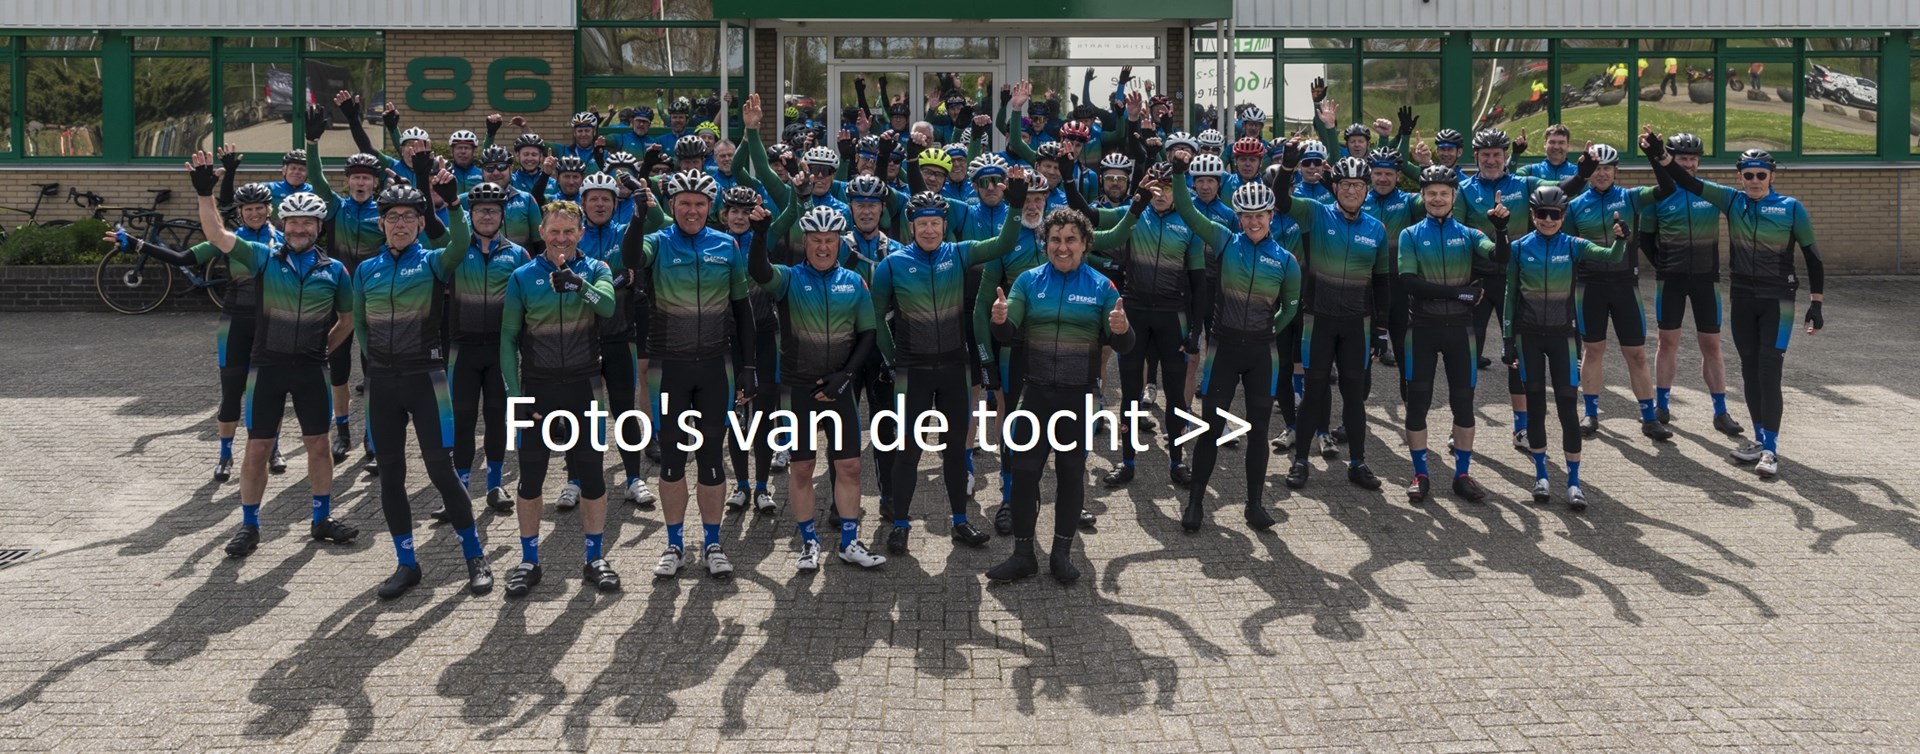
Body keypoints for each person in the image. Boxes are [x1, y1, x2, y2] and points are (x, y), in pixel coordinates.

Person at [180, 150, 358, 558]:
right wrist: (205, 195)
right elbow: (218, 237)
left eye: (308, 222)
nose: (299, 228)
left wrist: (323, 349)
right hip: (267, 368)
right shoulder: (262, 258)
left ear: (318, 227)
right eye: (293, 222)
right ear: (284, 224)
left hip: (311, 370)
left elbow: (348, 320)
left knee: (319, 446)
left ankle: (321, 519)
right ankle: (249, 526)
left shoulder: (335, 271)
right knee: (258, 448)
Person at [351, 165, 495, 598]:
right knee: (390, 476)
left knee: (441, 471)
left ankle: (475, 556)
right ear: (381, 223)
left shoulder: (433, 262)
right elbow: (361, 325)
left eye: (409, 217)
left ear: (418, 223)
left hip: (426, 379)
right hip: (382, 384)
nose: (400, 224)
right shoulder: (366, 270)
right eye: (393, 217)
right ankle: (407, 563)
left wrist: (452, 204)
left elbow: (461, 243)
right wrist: (376, 364)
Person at [980, 152, 1144, 532]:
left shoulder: (1071, 242)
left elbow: (1112, 236)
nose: (1032, 205)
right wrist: (990, 348)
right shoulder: (1007, 241)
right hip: (1021, 351)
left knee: (1070, 454)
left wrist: (1137, 206)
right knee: (1017, 437)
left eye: (1039, 198)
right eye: (1026, 199)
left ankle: (1069, 510)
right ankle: (1010, 499)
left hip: (1071, 369)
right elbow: (987, 308)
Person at [1649, 137, 1825, 479]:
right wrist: (1660, 156)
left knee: (1769, 370)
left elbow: (1813, 257)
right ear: (1739, 176)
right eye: (1749, 175)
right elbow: (1688, 181)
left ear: (1772, 176)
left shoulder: (1791, 207)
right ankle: (1760, 441)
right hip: (1742, 298)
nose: (1755, 181)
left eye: (1761, 175)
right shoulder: (1732, 201)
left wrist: (1816, 303)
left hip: (1778, 300)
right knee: (1749, 369)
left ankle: (1771, 450)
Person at [870, 183, 1023, 555]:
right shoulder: (891, 266)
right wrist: (892, 361)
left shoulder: (958, 253)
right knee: (908, 450)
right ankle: (901, 524)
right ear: (911, 226)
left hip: (955, 367)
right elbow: (875, 320)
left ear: (944, 225)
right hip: (913, 371)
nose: (929, 230)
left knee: (955, 449)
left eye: (935, 223)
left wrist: (1016, 206)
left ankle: (960, 521)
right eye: (922, 223)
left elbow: (1003, 243)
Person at [621, 171, 759, 579]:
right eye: (684, 203)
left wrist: (749, 367)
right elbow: (631, 258)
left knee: (712, 459)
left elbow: (743, 311)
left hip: (716, 366)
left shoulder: (726, 245)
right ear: (673, 205)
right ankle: (675, 544)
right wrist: (637, 218)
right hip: (669, 368)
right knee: (673, 462)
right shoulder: (658, 241)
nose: (692, 210)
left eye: (700, 204)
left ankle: (713, 543)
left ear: (711, 207)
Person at [747, 205, 890, 570]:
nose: (823, 247)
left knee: (850, 466)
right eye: (815, 240)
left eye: (829, 240)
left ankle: (849, 542)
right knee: (801, 468)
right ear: (805, 242)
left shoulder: (854, 282)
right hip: (799, 390)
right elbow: (759, 271)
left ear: (839, 243)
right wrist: (760, 235)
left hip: (839, 388)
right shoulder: (789, 278)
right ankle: (808, 542)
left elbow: (868, 332)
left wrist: (846, 376)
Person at [1168, 158, 1300, 532]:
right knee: (1210, 427)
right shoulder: (1225, 241)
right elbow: (1188, 212)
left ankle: (1254, 506)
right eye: (1246, 216)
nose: (1253, 222)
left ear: (1271, 215)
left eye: (1260, 215)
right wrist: (1178, 174)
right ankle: (1195, 503)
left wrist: (1269, 329)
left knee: (1258, 433)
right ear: (1238, 217)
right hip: (1223, 350)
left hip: (1262, 353)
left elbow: (1291, 307)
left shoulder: (1286, 261)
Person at [500, 201, 622, 597]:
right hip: (538, 389)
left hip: (585, 387)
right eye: (554, 231)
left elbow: (608, 307)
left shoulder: (597, 269)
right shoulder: (522, 276)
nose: (562, 238)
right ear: (541, 232)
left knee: (592, 474)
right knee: (531, 477)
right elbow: (508, 339)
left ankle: (594, 557)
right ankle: (529, 561)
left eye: (569, 231)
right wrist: (516, 397)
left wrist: (578, 285)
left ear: (581, 233)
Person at [1269, 152, 1390, 491]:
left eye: (1358, 185)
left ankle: (1358, 463)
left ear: (1366, 190)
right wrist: (1288, 167)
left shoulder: (1376, 229)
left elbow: (1382, 282)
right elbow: (1281, 200)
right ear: (1334, 187)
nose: (1352, 190)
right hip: (1318, 320)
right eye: (1346, 184)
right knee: (1314, 392)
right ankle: (1301, 461)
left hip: (1356, 324)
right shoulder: (1315, 213)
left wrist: (1381, 330)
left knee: (1354, 396)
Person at [1503, 185, 1628, 511]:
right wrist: (1507, 340)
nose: (1548, 220)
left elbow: (1611, 256)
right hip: (1528, 336)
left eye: (1554, 214)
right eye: (1541, 214)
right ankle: (1541, 476)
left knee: (1567, 409)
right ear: (1532, 215)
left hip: (1563, 337)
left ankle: (1573, 482)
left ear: (1563, 216)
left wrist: (1621, 239)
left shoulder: (1572, 245)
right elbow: (1510, 296)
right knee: (1536, 408)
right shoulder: (1519, 248)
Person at [1398, 165, 1512, 504]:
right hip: (1422, 329)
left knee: (1463, 404)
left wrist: (1501, 230)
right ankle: (1420, 474)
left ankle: (1462, 474)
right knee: (1418, 404)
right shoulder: (1410, 234)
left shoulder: (1469, 233)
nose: (1437, 199)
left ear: (1453, 196)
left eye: (1444, 193)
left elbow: (1500, 257)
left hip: (1461, 331)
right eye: (1431, 193)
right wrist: (1457, 293)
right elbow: (1409, 282)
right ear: (1422, 196)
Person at [1566, 143, 1674, 442]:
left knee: (1636, 354)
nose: (1602, 174)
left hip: (1625, 285)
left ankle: (1649, 418)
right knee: (1592, 350)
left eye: (1607, 168)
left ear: (1616, 171)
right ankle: (1590, 413)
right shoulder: (1575, 205)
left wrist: (1655, 156)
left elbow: (1668, 187)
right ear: (1589, 172)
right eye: (1597, 169)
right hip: (1589, 286)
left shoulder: (1630, 197)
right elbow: (1569, 248)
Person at [438, 182, 528, 519]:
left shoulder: (517, 255)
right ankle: (459, 491)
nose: (486, 216)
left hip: (499, 350)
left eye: (492, 210)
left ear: (503, 215)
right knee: (462, 420)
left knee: (496, 418)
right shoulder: (457, 250)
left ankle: (494, 485)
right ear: (470, 215)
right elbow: (433, 230)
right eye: (479, 211)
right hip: (462, 349)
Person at [1646, 132, 1744, 437]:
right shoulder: (1659, 194)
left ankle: (1721, 411)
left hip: (1706, 279)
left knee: (1712, 345)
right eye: (1682, 158)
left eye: (1692, 158)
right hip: (1670, 280)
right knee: (1667, 343)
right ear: (1671, 159)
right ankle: (1662, 406)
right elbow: (1646, 238)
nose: (1688, 164)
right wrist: (1663, 263)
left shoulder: (1709, 193)